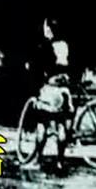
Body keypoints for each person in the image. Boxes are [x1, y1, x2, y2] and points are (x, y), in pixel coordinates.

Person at [27, 16, 76, 172]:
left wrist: (35, 92)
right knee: (61, 125)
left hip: (49, 90)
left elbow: (36, 71)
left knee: (42, 125)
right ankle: (60, 161)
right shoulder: (66, 46)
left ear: (48, 29)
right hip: (64, 92)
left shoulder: (44, 47)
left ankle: (37, 160)